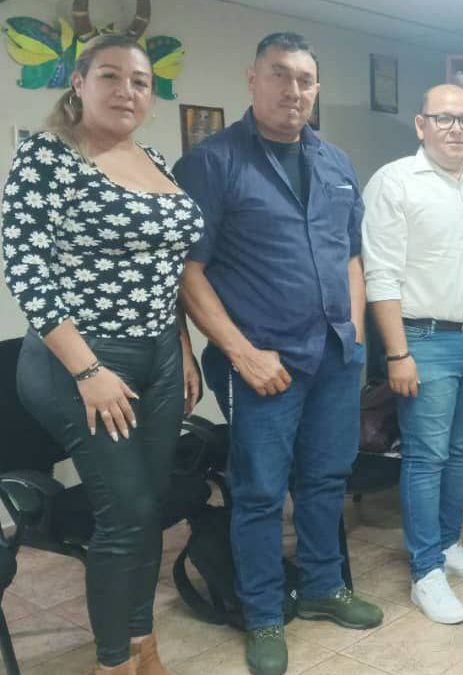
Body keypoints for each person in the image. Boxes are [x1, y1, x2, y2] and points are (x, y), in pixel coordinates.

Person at [175, 33, 382, 675]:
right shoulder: (212, 163)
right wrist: (241, 354)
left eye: (305, 79)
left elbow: (351, 255)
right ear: (252, 78)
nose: (294, 90)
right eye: (280, 75)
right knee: (261, 491)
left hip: (333, 356)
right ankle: (263, 612)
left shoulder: (336, 162)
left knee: (326, 478)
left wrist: (353, 333)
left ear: (316, 88)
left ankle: (323, 586)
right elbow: (188, 272)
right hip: (262, 364)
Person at [1, 35, 203, 675]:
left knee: (149, 507)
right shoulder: (48, 156)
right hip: (80, 359)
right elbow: (27, 269)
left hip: (159, 355)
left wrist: (183, 347)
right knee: (127, 513)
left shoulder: (153, 158)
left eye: (140, 81)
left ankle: (143, 647)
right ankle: (113, 663)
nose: (127, 91)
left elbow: (166, 268)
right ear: (79, 83)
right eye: (110, 76)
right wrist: (88, 370)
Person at [362, 84, 463, 624]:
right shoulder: (395, 182)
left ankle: (449, 543)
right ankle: (425, 570)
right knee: (426, 456)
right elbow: (381, 275)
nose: (457, 129)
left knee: (462, 451)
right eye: (444, 118)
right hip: (425, 341)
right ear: (421, 125)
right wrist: (397, 353)